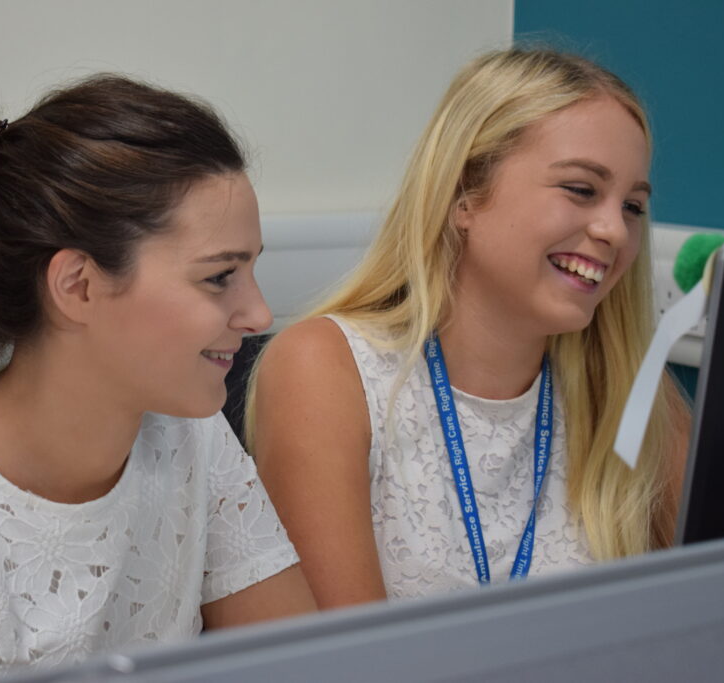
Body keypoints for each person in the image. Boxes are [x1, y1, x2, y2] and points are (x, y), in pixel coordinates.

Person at [0, 74, 316, 681]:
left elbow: (304, 665)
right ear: (77, 285)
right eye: (219, 277)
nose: (259, 314)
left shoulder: (193, 437)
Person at [247, 48, 691, 609]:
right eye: (581, 189)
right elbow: (352, 661)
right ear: (464, 195)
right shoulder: (326, 369)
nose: (614, 231)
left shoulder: (634, 397)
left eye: (632, 206)